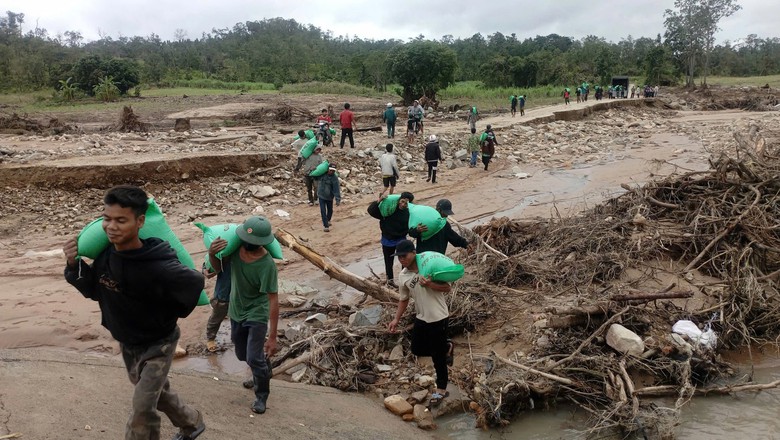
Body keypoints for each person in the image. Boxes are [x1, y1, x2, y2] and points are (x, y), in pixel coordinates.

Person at [63, 185, 206, 440]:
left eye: (121, 220)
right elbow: (94, 290)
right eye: (107, 219)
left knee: (142, 407)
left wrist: (167, 313)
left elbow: (193, 282)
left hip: (159, 343)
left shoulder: (159, 264)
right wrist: (73, 265)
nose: (111, 226)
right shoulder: (107, 257)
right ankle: (192, 422)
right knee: (155, 394)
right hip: (128, 341)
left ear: (140, 221)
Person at [208, 216, 279, 415]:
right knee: (242, 354)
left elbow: (273, 300)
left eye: (253, 243)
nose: (247, 245)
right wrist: (211, 253)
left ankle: (262, 394)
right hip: (236, 310)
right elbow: (216, 269)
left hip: (257, 312)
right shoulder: (234, 252)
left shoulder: (266, 266)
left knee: (254, 357)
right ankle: (264, 366)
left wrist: (272, 337)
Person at [388, 239, 454, 407]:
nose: (401, 259)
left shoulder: (428, 267)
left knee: (438, 358)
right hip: (421, 317)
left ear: (413, 252)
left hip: (438, 316)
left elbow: (447, 288)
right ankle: (446, 347)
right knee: (416, 349)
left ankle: (441, 389)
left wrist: (430, 284)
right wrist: (396, 319)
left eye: (404, 256)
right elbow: (403, 299)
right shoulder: (403, 276)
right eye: (398, 257)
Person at [367, 191, 414, 287]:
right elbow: (371, 211)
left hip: (401, 239)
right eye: (402, 201)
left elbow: (412, 226)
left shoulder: (409, 213)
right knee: (388, 262)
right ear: (399, 200)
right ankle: (390, 282)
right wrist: (379, 201)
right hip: (387, 239)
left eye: (406, 203)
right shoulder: (388, 209)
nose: (403, 204)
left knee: (404, 261)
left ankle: (404, 282)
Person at [204, 259, 231, 353]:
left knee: (245, 316)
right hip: (224, 293)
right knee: (217, 317)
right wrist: (206, 270)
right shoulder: (225, 252)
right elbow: (207, 263)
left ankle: (252, 335)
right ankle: (210, 338)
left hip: (242, 293)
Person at [318, 164, 341, 232]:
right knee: (323, 210)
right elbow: (315, 177)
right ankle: (326, 225)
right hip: (321, 195)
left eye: (333, 171)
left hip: (329, 197)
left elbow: (336, 189)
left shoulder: (334, 178)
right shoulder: (322, 174)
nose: (331, 172)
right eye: (330, 170)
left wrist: (337, 199)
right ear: (328, 169)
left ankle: (328, 220)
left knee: (330, 210)